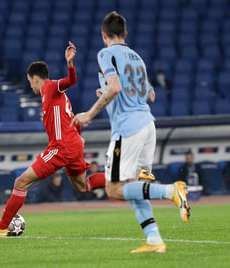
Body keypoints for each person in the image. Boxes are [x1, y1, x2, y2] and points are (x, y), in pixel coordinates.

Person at [71, 11, 190, 254]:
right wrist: (108, 94)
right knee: (134, 184)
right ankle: (154, 239)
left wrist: (88, 114)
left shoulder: (106, 53)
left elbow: (114, 87)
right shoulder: (137, 58)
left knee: (113, 189)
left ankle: (171, 190)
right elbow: (151, 95)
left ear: (103, 35)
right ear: (126, 34)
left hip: (128, 129)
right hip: (148, 124)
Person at [0, 41, 107, 237]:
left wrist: (70, 64)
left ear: (35, 79)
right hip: (72, 145)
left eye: (29, 82)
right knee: (82, 186)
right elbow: (72, 119)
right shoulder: (55, 98)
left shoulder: (50, 87)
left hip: (61, 147)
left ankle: (1, 227)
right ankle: (120, 177)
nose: (30, 86)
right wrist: (78, 137)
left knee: (21, 182)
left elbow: (70, 81)